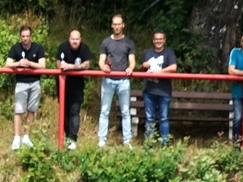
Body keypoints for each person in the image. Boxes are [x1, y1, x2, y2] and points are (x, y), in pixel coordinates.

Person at [98, 15, 136, 148]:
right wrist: (104, 67)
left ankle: (127, 141)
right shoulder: (106, 42)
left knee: (125, 111)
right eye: (114, 24)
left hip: (124, 81)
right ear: (111, 25)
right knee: (104, 111)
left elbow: (132, 61)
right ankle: (102, 140)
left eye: (119, 24)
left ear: (123, 25)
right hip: (108, 80)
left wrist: (130, 68)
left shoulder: (129, 43)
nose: (117, 26)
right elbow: (101, 61)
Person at [6, 25, 46, 150]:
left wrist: (29, 64)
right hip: (21, 82)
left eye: (27, 36)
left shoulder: (38, 48)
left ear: (31, 36)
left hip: (35, 82)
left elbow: (42, 65)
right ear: (20, 37)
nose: (25, 38)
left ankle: (26, 136)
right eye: (23, 36)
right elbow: (8, 64)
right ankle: (17, 137)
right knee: (19, 110)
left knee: (31, 110)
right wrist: (19, 63)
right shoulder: (15, 48)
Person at [140, 30, 177, 147]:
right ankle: (149, 144)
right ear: (153, 40)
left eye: (160, 39)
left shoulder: (169, 52)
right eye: (156, 39)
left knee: (164, 118)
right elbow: (141, 69)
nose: (158, 41)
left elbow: (173, 67)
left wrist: (160, 72)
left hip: (164, 91)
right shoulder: (147, 52)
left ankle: (164, 144)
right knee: (149, 118)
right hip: (149, 90)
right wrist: (143, 65)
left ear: (164, 40)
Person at [56, 30, 91, 150]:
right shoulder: (63, 47)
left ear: (80, 39)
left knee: (74, 112)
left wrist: (71, 67)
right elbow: (58, 64)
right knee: (64, 112)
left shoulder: (84, 48)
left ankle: (73, 139)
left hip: (77, 86)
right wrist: (66, 67)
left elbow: (86, 65)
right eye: (73, 39)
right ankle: (67, 138)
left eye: (77, 39)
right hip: (63, 85)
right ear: (69, 39)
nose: (75, 41)